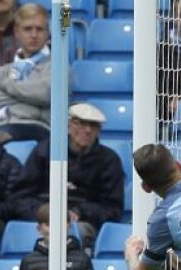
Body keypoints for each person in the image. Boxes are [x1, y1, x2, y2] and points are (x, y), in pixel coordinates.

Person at [9, 103, 125, 242]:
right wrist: (44, 213)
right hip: (41, 217)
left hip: (82, 222)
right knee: (22, 233)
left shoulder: (108, 160)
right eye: (81, 123)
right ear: (68, 126)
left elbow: (112, 208)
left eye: (93, 126)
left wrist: (80, 212)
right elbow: (20, 196)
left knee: (76, 232)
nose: (87, 130)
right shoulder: (45, 151)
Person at [0, 3, 51, 142]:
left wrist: (8, 87)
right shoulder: (4, 70)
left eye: (39, 29)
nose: (34, 35)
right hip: (2, 126)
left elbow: (45, 94)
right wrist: (30, 102)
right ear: (17, 32)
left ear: (47, 33)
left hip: (39, 129)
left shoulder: (57, 67)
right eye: (28, 29)